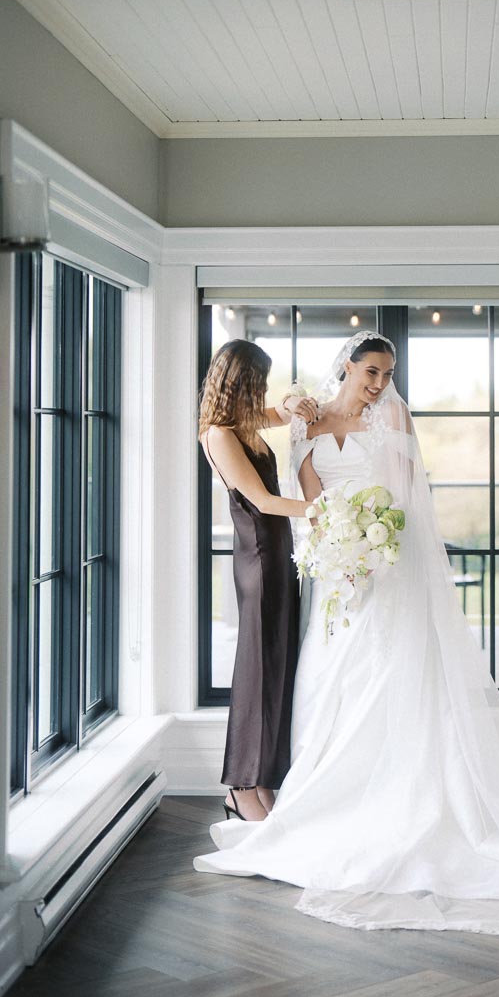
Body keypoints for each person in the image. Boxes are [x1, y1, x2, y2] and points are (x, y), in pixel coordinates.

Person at [194, 331, 499, 941]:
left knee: (385, 677)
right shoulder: (292, 427)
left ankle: (394, 800)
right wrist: (335, 542)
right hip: (333, 569)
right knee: (319, 679)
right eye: (370, 371)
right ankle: (298, 795)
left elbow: (405, 499)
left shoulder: (387, 415)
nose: (378, 383)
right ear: (347, 366)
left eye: (386, 373)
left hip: (385, 562)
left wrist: (373, 540)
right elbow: (300, 494)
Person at [198, 339, 319, 823]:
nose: (262, 391)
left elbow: (283, 413)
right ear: (238, 382)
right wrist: (326, 511)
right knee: (256, 674)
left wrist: (292, 402)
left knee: (276, 668)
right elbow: (263, 501)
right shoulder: (219, 435)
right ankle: (241, 786)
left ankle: (264, 780)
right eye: (257, 382)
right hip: (260, 558)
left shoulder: (241, 423)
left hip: (277, 553)